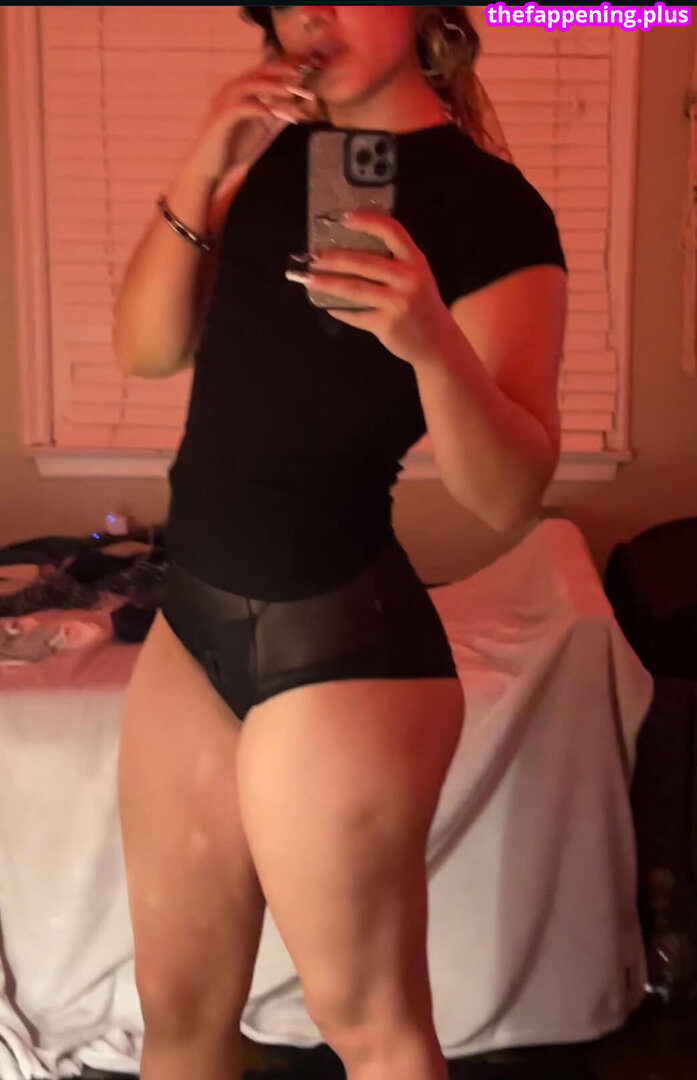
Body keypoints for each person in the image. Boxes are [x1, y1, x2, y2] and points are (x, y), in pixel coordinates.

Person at [113, 7, 567, 1080]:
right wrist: (204, 161)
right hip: (192, 623)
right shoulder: (273, 162)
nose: (312, 11)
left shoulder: (496, 209)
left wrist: (430, 341)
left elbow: (507, 494)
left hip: (339, 642)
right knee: (178, 1007)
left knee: (370, 1028)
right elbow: (146, 349)